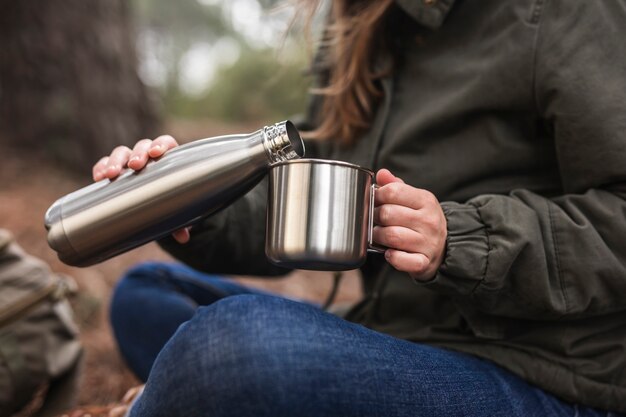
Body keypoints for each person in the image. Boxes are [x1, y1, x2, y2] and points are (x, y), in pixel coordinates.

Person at [92, 0, 626, 415]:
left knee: (233, 347)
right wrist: (191, 201)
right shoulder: (362, 22)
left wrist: (461, 240)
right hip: (399, 335)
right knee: (145, 295)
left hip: (541, 377)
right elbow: (301, 203)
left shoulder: (559, 13)